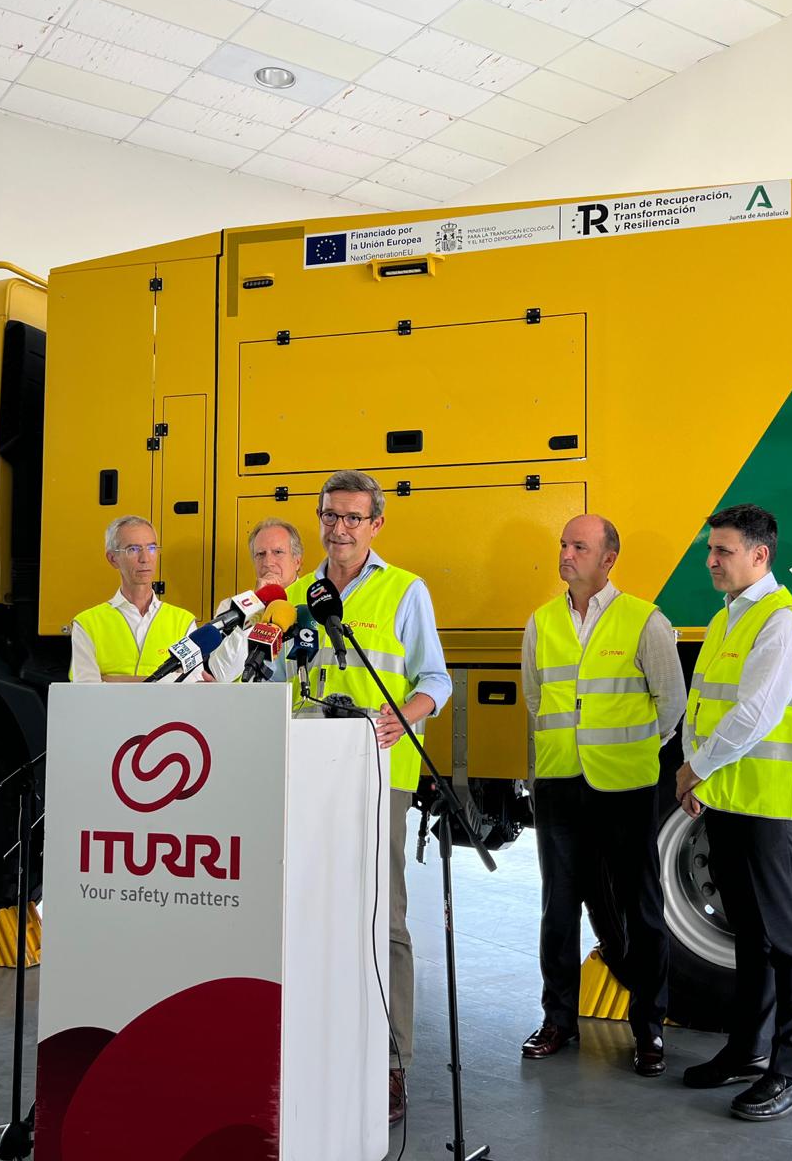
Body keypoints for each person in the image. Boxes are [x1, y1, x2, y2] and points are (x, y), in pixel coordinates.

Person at [283, 470, 450, 1127]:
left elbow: (435, 678)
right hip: (305, 769)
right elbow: (277, 677)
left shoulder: (406, 590)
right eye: (330, 515)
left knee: (385, 919)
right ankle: (312, 1044)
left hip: (380, 772)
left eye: (354, 517)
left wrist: (403, 713)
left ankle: (390, 1065)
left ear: (376, 525)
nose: (339, 527)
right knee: (306, 913)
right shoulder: (298, 593)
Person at [674, 503, 792, 1122]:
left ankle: (790, 1073)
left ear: (760, 555)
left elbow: (755, 715)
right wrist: (697, 775)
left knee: (790, 942)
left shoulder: (783, 623)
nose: (712, 561)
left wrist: (696, 769)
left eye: (724, 551)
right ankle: (748, 1051)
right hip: (730, 801)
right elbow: (702, 705)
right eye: (711, 550)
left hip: (771, 805)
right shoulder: (728, 620)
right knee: (753, 938)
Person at [520, 515, 685, 1077]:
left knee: (640, 909)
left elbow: (672, 705)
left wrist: (631, 752)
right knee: (557, 910)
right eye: (563, 544)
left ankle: (650, 1029)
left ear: (607, 558)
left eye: (578, 546)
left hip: (625, 786)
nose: (566, 553)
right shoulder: (541, 623)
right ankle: (558, 1020)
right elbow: (536, 701)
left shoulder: (644, 621)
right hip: (560, 784)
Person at [70, 515, 197, 682]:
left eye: (151, 548)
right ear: (113, 559)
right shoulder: (86, 624)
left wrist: (110, 680)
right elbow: (86, 690)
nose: (145, 559)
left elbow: (192, 685)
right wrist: (166, 681)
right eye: (133, 549)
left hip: (166, 709)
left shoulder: (183, 621)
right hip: (110, 710)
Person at [206, 517, 306, 683]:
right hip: (248, 704)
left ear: (297, 561)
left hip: (301, 704)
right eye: (260, 554)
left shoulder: (312, 605)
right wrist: (256, 606)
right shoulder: (232, 608)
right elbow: (222, 674)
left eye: (278, 552)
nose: (268, 562)